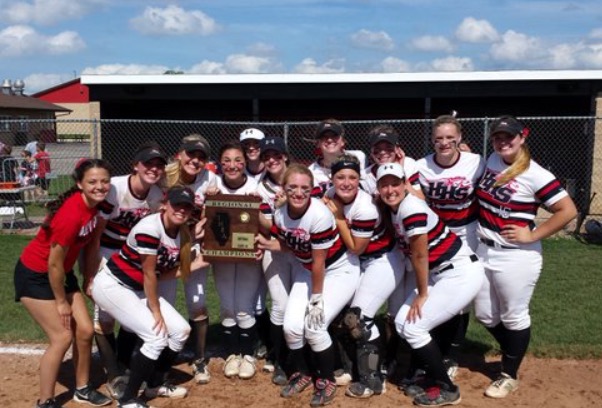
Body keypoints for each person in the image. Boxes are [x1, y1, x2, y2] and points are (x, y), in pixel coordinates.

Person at [474, 116, 577, 399]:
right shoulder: (491, 161)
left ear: (523, 136)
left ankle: (509, 374)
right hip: (483, 250)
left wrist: (532, 235)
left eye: (509, 136)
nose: (503, 141)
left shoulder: (536, 175)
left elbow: (567, 211)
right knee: (484, 314)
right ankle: (513, 352)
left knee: (513, 315)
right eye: (497, 137)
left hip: (516, 256)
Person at [377, 162, 485, 407]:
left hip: (460, 274)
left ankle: (447, 387)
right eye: (384, 185)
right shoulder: (396, 208)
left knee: (414, 328)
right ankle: (428, 373)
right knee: (404, 322)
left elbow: (420, 255)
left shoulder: (410, 208)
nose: (390, 189)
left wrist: (423, 293)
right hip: (444, 273)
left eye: (395, 183)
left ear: (406, 184)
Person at [257, 163, 360, 407]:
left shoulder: (319, 214)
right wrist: (264, 244)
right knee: (291, 327)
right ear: (283, 188)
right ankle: (302, 373)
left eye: (305, 187)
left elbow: (319, 261)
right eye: (292, 187)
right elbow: (291, 244)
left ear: (312, 189)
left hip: (338, 270)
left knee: (314, 326)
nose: (298, 192)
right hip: (310, 269)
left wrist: (316, 300)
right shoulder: (281, 214)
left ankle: (326, 379)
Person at [14, 159, 113, 408]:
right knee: (61, 337)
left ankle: (82, 389)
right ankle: (45, 401)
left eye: (104, 181)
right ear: (79, 184)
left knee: (86, 331)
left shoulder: (94, 206)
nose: (100, 186)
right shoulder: (71, 215)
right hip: (36, 274)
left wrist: (88, 277)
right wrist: (61, 302)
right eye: (92, 182)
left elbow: (88, 247)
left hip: (62, 273)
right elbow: (53, 264)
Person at [92, 186, 200, 408]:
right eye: (177, 204)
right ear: (164, 204)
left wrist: (200, 262)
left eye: (187, 206)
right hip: (113, 286)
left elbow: (163, 272)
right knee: (156, 336)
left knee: (180, 331)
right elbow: (149, 273)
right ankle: (128, 399)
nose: (181, 210)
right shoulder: (149, 228)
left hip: (136, 288)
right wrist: (156, 311)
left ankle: (154, 384)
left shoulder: (182, 233)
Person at [86, 143, 168, 399]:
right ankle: (113, 375)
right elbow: (96, 237)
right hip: (107, 252)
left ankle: (122, 363)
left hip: (132, 256)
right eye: (148, 164)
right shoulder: (116, 189)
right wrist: (89, 275)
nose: (154, 169)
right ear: (135, 165)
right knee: (104, 316)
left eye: (158, 165)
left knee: (132, 310)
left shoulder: (156, 195)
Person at [322, 154, 403, 399]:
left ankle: (373, 379)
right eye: (340, 177)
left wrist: (338, 218)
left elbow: (357, 247)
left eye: (353, 177)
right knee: (341, 313)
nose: (346, 182)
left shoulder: (365, 207)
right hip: (358, 262)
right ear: (332, 179)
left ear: (360, 179)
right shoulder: (328, 194)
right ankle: (350, 369)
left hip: (382, 260)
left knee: (359, 319)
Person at [416, 114, 486, 377]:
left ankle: (451, 355)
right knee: (433, 292)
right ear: (432, 140)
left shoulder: (476, 162)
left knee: (459, 300)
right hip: (435, 235)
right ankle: (431, 346)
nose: (444, 143)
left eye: (449, 137)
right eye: (438, 138)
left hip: (467, 234)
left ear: (459, 138)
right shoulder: (422, 165)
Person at [164, 134, 216, 385]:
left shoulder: (209, 179)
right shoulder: (164, 177)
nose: (195, 160)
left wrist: (210, 205)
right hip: (167, 245)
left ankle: (199, 358)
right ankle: (159, 357)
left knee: (198, 302)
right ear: (179, 154)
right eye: (191, 154)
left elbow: (211, 215)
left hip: (193, 245)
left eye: (201, 157)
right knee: (164, 301)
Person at [211, 140, 263, 380]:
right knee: (227, 306)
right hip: (221, 255)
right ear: (220, 164)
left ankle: (248, 354)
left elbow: (266, 224)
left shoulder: (256, 186)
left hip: (247, 256)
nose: (233, 165)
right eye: (227, 161)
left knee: (244, 306)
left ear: (245, 162)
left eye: (238, 160)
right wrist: (208, 201)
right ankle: (232, 353)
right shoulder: (213, 185)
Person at [255, 136, 294, 385]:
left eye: (276, 155)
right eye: (267, 156)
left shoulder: (301, 178)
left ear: (285, 157)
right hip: (274, 250)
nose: (272, 160)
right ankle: (280, 359)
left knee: (304, 303)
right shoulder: (259, 188)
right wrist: (282, 210)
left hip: (302, 251)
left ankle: (306, 355)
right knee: (280, 304)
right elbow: (267, 224)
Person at [308, 119, 367, 197]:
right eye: (324, 137)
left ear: (342, 141)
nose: (329, 140)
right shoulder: (311, 172)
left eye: (334, 135)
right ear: (318, 143)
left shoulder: (359, 157)